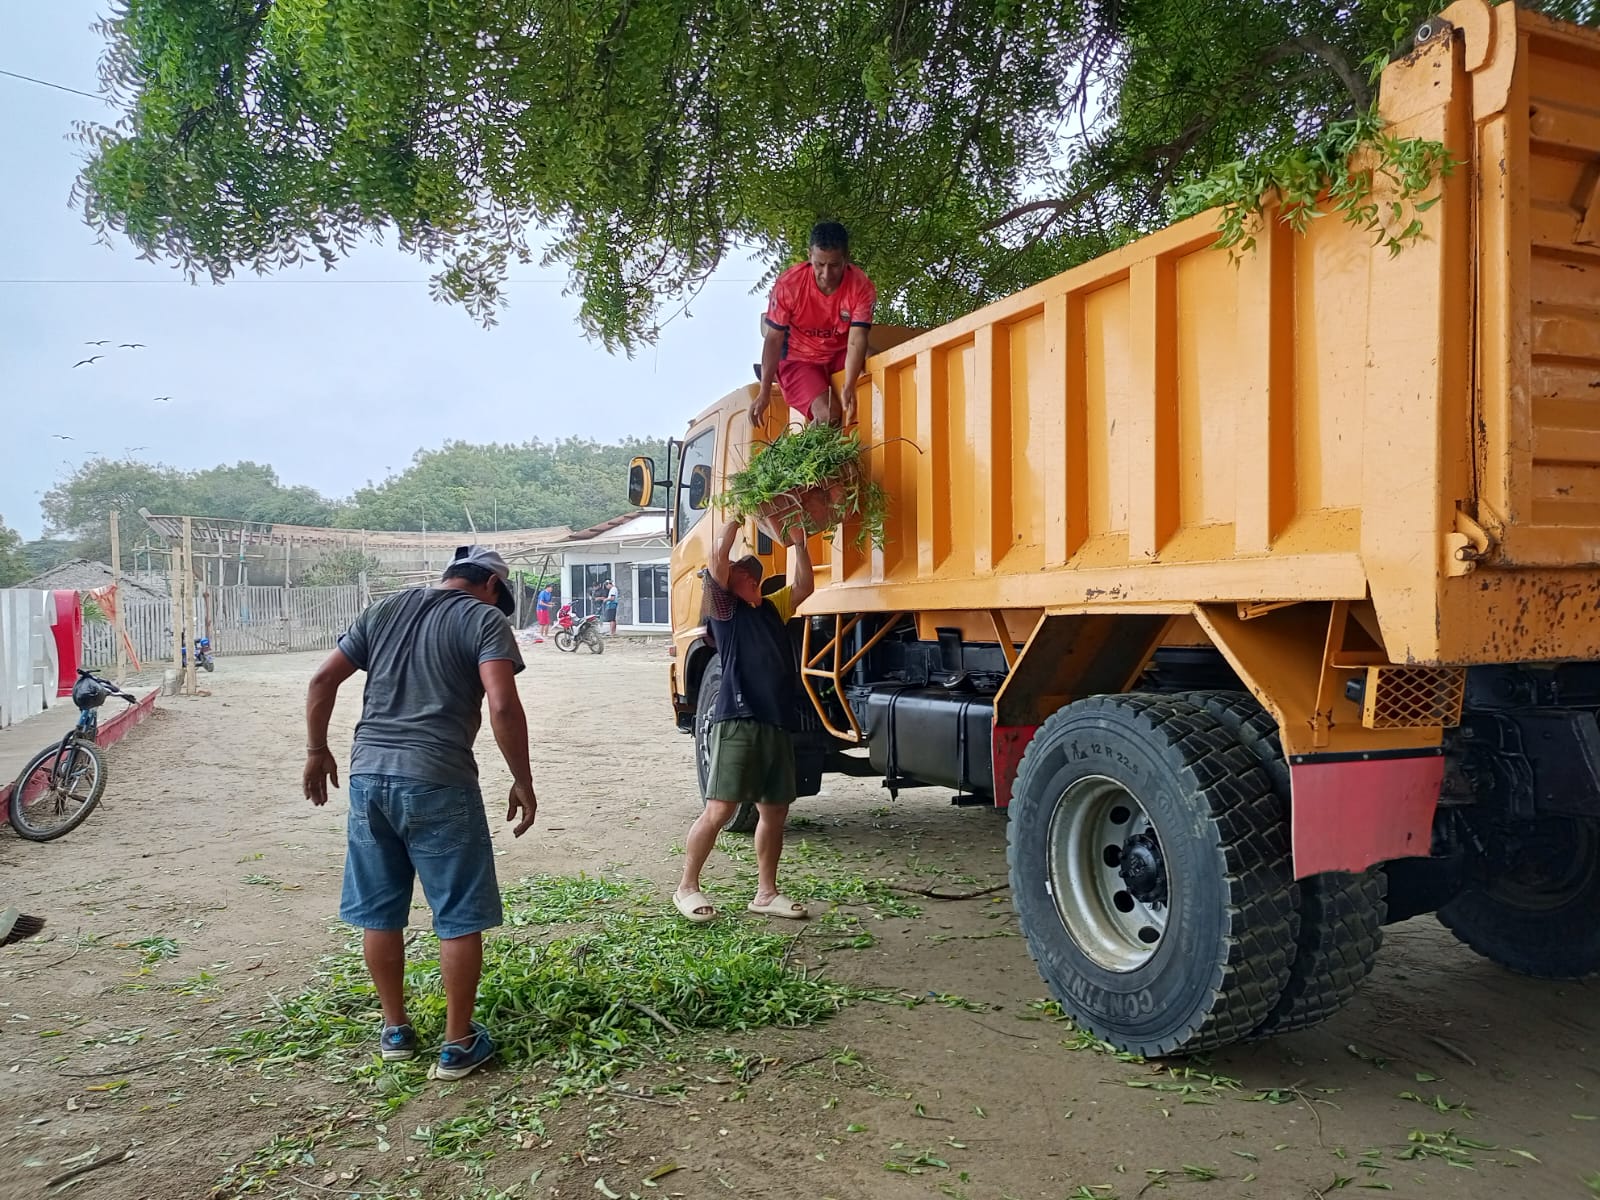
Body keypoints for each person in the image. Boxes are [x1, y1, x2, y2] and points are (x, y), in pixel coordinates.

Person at [303, 545, 538, 1081]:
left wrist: (317, 750)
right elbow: (502, 703)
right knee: (457, 914)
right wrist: (522, 780)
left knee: (379, 910)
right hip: (438, 777)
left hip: (368, 777)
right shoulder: (483, 620)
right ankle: (457, 1044)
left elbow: (322, 680)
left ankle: (395, 1030)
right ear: (492, 586)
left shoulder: (384, 608)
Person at [674, 520, 814, 923]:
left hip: (775, 721)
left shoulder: (772, 607)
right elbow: (718, 556)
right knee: (720, 810)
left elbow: (804, 587)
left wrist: (799, 545)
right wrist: (736, 516)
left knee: (775, 811)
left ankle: (766, 893)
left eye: (742, 570)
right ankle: (686, 887)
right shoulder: (725, 611)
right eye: (733, 570)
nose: (737, 572)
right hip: (737, 718)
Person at [750, 222, 876, 428]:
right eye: (820, 264)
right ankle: (807, 447)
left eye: (834, 265)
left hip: (838, 352)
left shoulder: (861, 287)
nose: (826, 274)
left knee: (876, 359)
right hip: (798, 360)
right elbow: (773, 339)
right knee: (828, 416)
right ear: (810, 255)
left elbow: (857, 339)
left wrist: (850, 384)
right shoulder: (789, 285)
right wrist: (764, 392)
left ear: (846, 258)